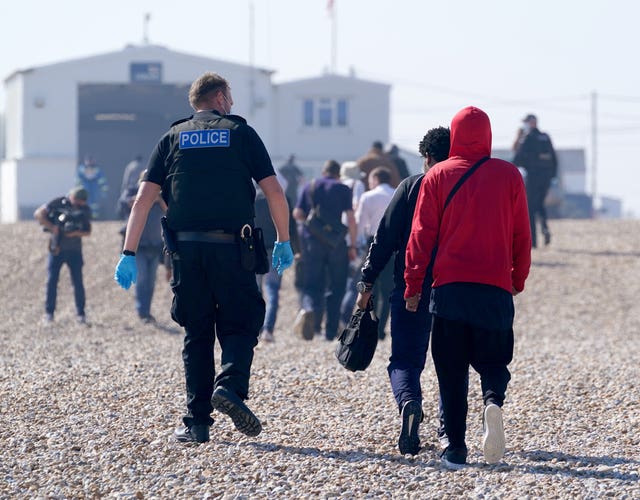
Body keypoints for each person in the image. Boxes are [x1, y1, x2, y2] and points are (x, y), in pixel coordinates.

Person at [113, 72, 294, 444]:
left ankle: (197, 423)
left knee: (196, 332)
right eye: (230, 97)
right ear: (221, 97)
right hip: (233, 248)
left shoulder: (171, 137)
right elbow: (273, 191)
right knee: (241, 322)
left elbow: (142, 200)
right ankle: (228, 386)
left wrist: (127, 252)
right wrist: (283, 239)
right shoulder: (241, 133)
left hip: (187, 252)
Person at [404, 106, 531, 468]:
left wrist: (413, 285)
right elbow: (522, 233)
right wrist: (517, 278)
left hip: (450, 291)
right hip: (494, 287)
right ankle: (492, 401)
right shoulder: (509, 176)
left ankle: (456, 448)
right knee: (494, 360)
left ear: (455, 135)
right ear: (488, 134)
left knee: (451, 368)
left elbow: (420, 237)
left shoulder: (438, 175)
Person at [355, 126, 451, 455]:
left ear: (427, 158)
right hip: (454, 288)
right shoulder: (463, 189)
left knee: (405, 360)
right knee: (450, 362)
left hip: (411, 287)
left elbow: (383, 239)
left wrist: (367, 281)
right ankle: (447, 431)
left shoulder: (411, 187)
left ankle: (409, 402)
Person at [292, 159, 357, 341]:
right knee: (336, 287)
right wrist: (352, 245)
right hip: (336, 243)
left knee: (313, 283)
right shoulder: (343, 189)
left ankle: (311, 312)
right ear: (338, 174)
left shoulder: (310, 186)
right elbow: (351, 219)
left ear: (323, 172)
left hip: (312, 242)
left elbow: (297, 213)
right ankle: (330, 332)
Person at [34, 187, 92, 325]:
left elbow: (88, 231)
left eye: (81, 202)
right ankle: (49, 313)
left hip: (75, 251)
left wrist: (75, 233)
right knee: (52, 281)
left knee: (78, 282)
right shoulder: (58, 203)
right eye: (76, 201)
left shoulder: (84, 210)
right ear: (71, 197)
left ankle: (81, 314)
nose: (78, 204)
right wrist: (53, 227)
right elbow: (38, 214)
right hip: (57, 249)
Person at [120, 169, 167, 323]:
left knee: (151, 280)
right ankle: (142, 311)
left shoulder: (161, 195)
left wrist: (158, 199)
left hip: (155, 246)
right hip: (138, 246)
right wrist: (147, 197)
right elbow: (127, 202)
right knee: (142, 279)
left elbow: (170, 210)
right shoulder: (133, 191)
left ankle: (147, 310)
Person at [254, 184, 300, 342]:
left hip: (255, 250)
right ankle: (268, 329)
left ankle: (256, 328)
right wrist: (296, 248)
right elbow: (291, 227)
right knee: (272, 289)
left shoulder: (253, 198)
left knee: (256, 290)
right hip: (277, 248)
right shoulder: (283, 198)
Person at [355, 167, 395, 339]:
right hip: (394, 245)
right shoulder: (397, 193)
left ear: (376, 179)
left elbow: (360, 223)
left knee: (370, 284)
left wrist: (356, 244)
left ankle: (369, 324)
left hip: (373, 241)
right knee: (387, 289)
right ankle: (381, 328)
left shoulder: (368, 196)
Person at [512, 114, 558, 247]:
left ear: (531, 123)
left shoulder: (528, 138)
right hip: (547, 178)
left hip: (533, 177)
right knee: (540, 204)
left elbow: (518, 158)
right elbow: (554, 158)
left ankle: (533, 241)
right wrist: (552, 177)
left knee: (530, 207)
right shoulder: (545, 137)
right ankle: (545, 228)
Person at [76, 155, 109, 220]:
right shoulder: (81, 169)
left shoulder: (97, 170)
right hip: (84, 189)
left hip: (94, 189)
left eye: (91, 160)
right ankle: (85, 216)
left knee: (94, 204)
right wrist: (78, 190)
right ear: (85, 161)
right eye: (88, 161)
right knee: (84, 202)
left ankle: (94, 217)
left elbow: (102, 181)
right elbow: (78, 180)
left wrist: (104, 191)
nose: (89, 162)